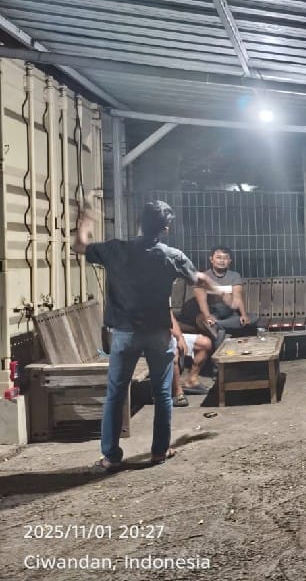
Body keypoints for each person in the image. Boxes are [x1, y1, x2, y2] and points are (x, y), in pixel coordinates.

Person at [74, 200, 221, 471]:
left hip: (125, 333)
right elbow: (199, 279)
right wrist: (220, 289)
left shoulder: (116, 249)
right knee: (162, 394)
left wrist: (86, 220)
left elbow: (80, 246)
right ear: (165, 229)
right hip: (158, 333)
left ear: (138, 222)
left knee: (116, 394)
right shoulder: (172, 256)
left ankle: (111, 456)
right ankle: (159, 451)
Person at [181, 246, 257, 339]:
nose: (222, 261)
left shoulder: (235, 276)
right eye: (218, 257)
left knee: (253, 318)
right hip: (212, 314)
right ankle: (220, 328)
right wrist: (208, 316)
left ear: (230, 261)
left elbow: (238, 298)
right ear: (211, 259)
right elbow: (202, 301)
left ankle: (219, 326)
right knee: (203, 320)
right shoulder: (204, 276)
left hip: (229, 314)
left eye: (225, 258)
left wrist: (243, 315)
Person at [169, 311, 214, 406]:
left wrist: (180, 338)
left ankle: (191, 381)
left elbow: (170, 317)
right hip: (151, 336)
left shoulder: (164, 301)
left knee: (205, 343)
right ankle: (177, 392)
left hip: (170, 335)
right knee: (173, 351)